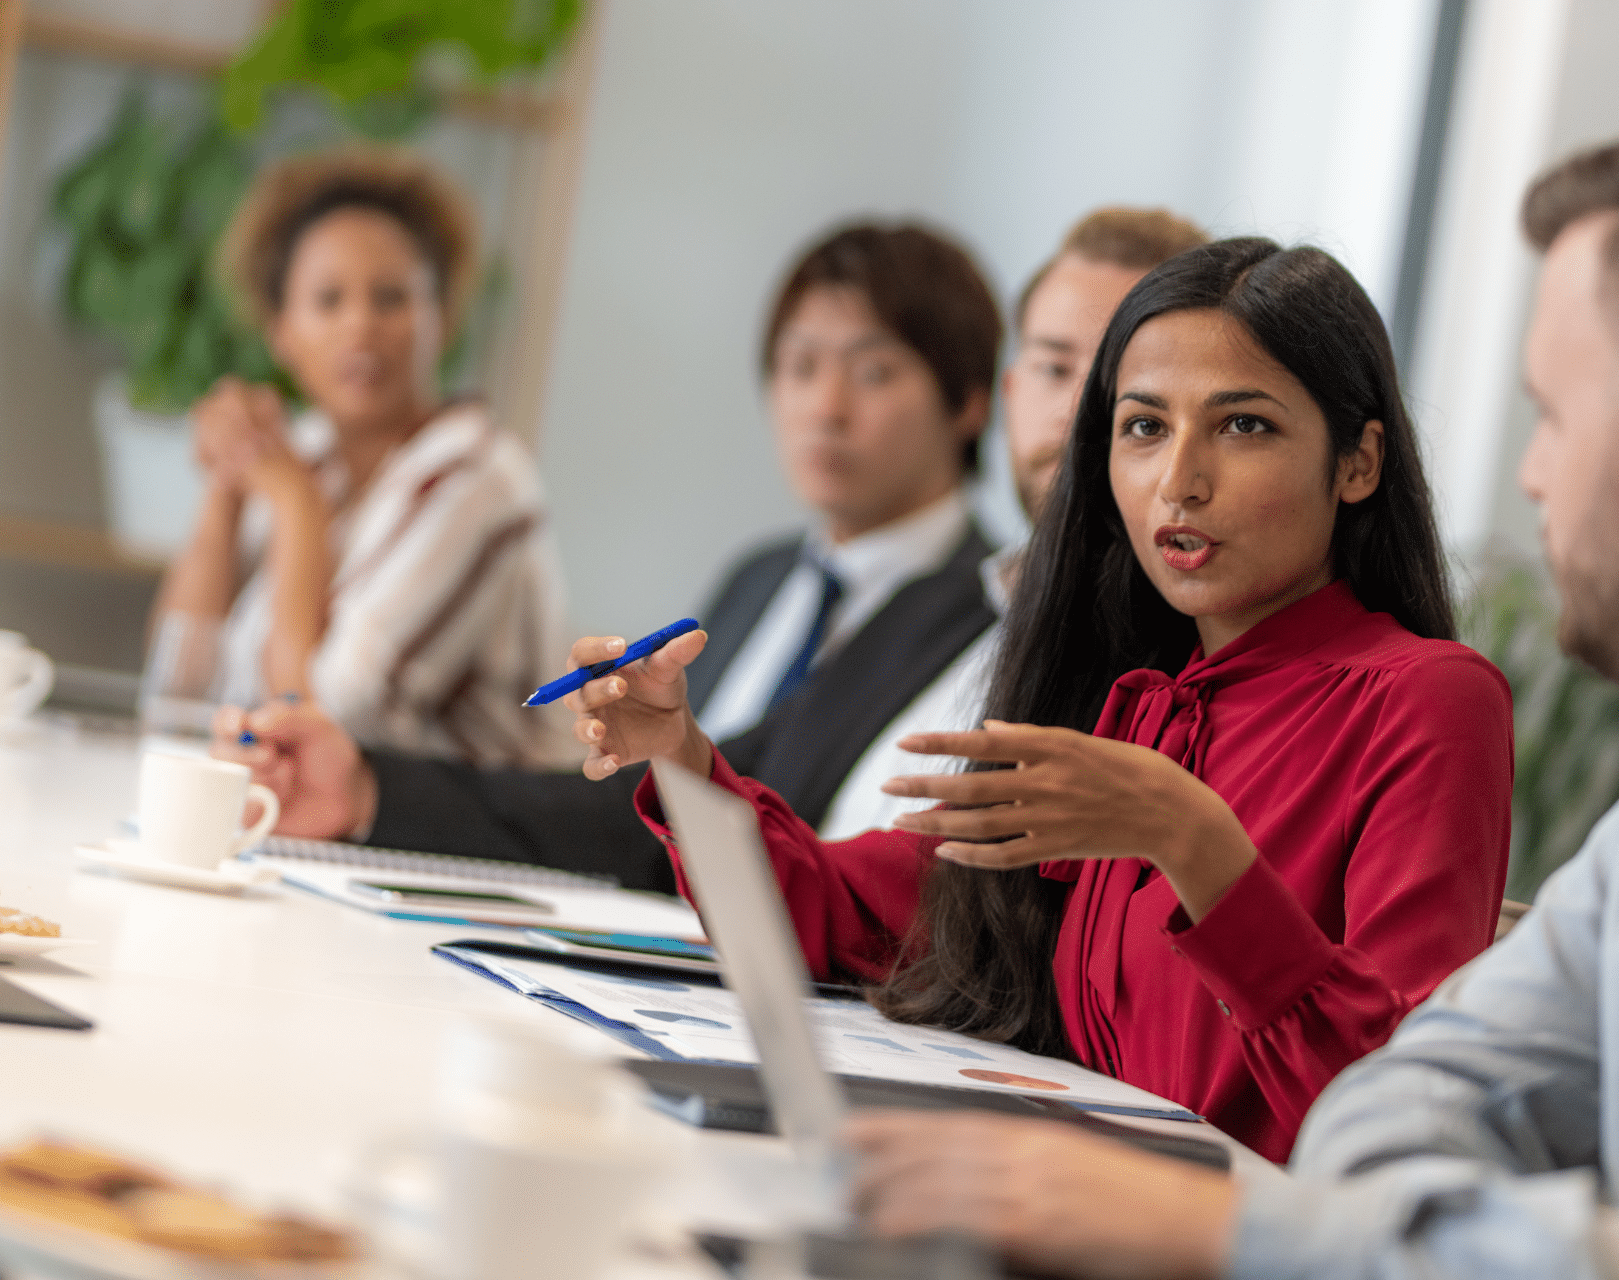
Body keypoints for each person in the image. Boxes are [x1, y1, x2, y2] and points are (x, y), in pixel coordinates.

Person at [838, 117, 1619, 1280]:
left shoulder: (1436, 702)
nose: (1528, 475)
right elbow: (1416, 1088)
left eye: (1553, 416)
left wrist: (1235, 1232)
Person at [571, 235, 1515, 1157]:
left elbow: (1400, 1112)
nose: (1179, 482)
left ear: (1358, 461)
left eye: (1244, 425)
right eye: (1144, 427)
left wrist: (1191, 841)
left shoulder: (1428, 701)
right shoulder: (1131, 699)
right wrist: (680, 755)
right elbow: (841, 915)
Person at [215, 222, 1002, 891]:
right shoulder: (760, 581)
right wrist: (370, 793)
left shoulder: (986, 615)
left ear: (969, 399)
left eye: (872, 372)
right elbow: (649, 822)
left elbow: (747, 827)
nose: (825, 407)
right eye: (800, 367)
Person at [154, 149, 574, 768]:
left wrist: (297, 507)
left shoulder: (480, 478)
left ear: (443, 316)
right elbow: (178, 688)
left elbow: (321, 725)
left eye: (392, 298)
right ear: (281, 332)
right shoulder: (313, 454)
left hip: (463, 852)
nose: (360, 327)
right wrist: (227, 484)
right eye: (328, 301)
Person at [822, 206, 1208, 838]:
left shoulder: (1173, 683)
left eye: (1123, 382)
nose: (1076, 413)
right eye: (1054, 369)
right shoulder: (930, 603)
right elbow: (755, 780)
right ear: (1008, 391)